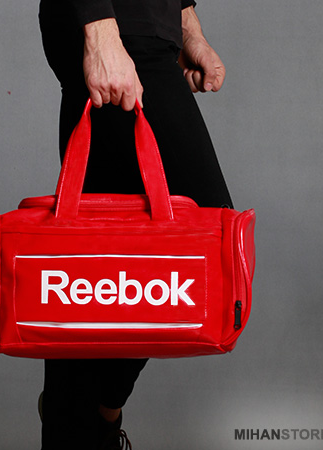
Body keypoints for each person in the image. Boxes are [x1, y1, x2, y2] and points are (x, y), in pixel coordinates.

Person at [38, 1, 233, 449]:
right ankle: (92, 415)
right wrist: (100, 34)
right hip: (117, 30)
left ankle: (80, 420)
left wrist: (187, 29)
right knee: (203, 238)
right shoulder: (108, 36)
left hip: (144, 34)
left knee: (99, 263)